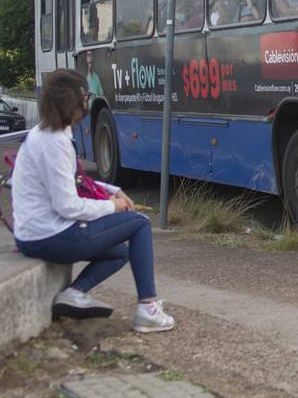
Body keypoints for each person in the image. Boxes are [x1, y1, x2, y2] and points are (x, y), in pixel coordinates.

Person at [11, 69, 175, 333]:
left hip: (34, 233)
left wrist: (113, 189)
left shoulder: (45, 133)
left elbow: (72, 179)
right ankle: (148, 308)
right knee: (140, 223)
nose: (87, 104)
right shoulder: (55, 142)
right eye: (85, 97)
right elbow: (68, 205)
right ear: (74, 101)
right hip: (51, 235)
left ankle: (76, 293)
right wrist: (113, 206)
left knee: (120, 251)